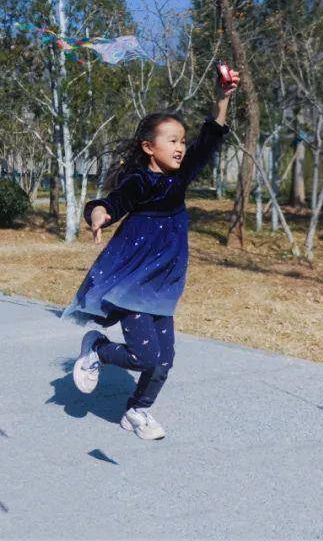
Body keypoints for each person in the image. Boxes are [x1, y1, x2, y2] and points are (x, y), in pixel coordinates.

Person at [65, 67, 239, 440]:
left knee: (164, 361)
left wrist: (223, 98)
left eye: (182, 140)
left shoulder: (179, 177)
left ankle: (137, 411)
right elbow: (115, 201)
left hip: (164, 281)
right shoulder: (140, 180)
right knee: (145, 357)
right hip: (136, 279)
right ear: (149, 147)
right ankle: (97, 347)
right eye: (172, 140)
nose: (180, 147)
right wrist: (99, 213)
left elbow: (210, 139)